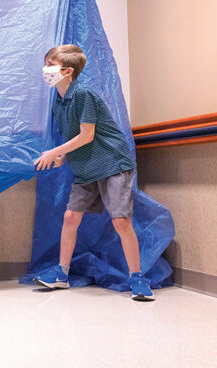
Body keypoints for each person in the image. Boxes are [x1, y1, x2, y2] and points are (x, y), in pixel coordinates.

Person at [33, 44, 154, 301]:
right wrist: (64, 155)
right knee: (70, 217)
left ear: (67, 71)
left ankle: (138, 279)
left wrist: (54, 152)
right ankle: (61, 275)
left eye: (50, 65)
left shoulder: (84, 94)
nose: (46, 70)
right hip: (86, 167)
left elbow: (87, 135)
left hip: (113, 163)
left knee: (121, 220)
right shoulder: (59, 101)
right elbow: (75, 136)